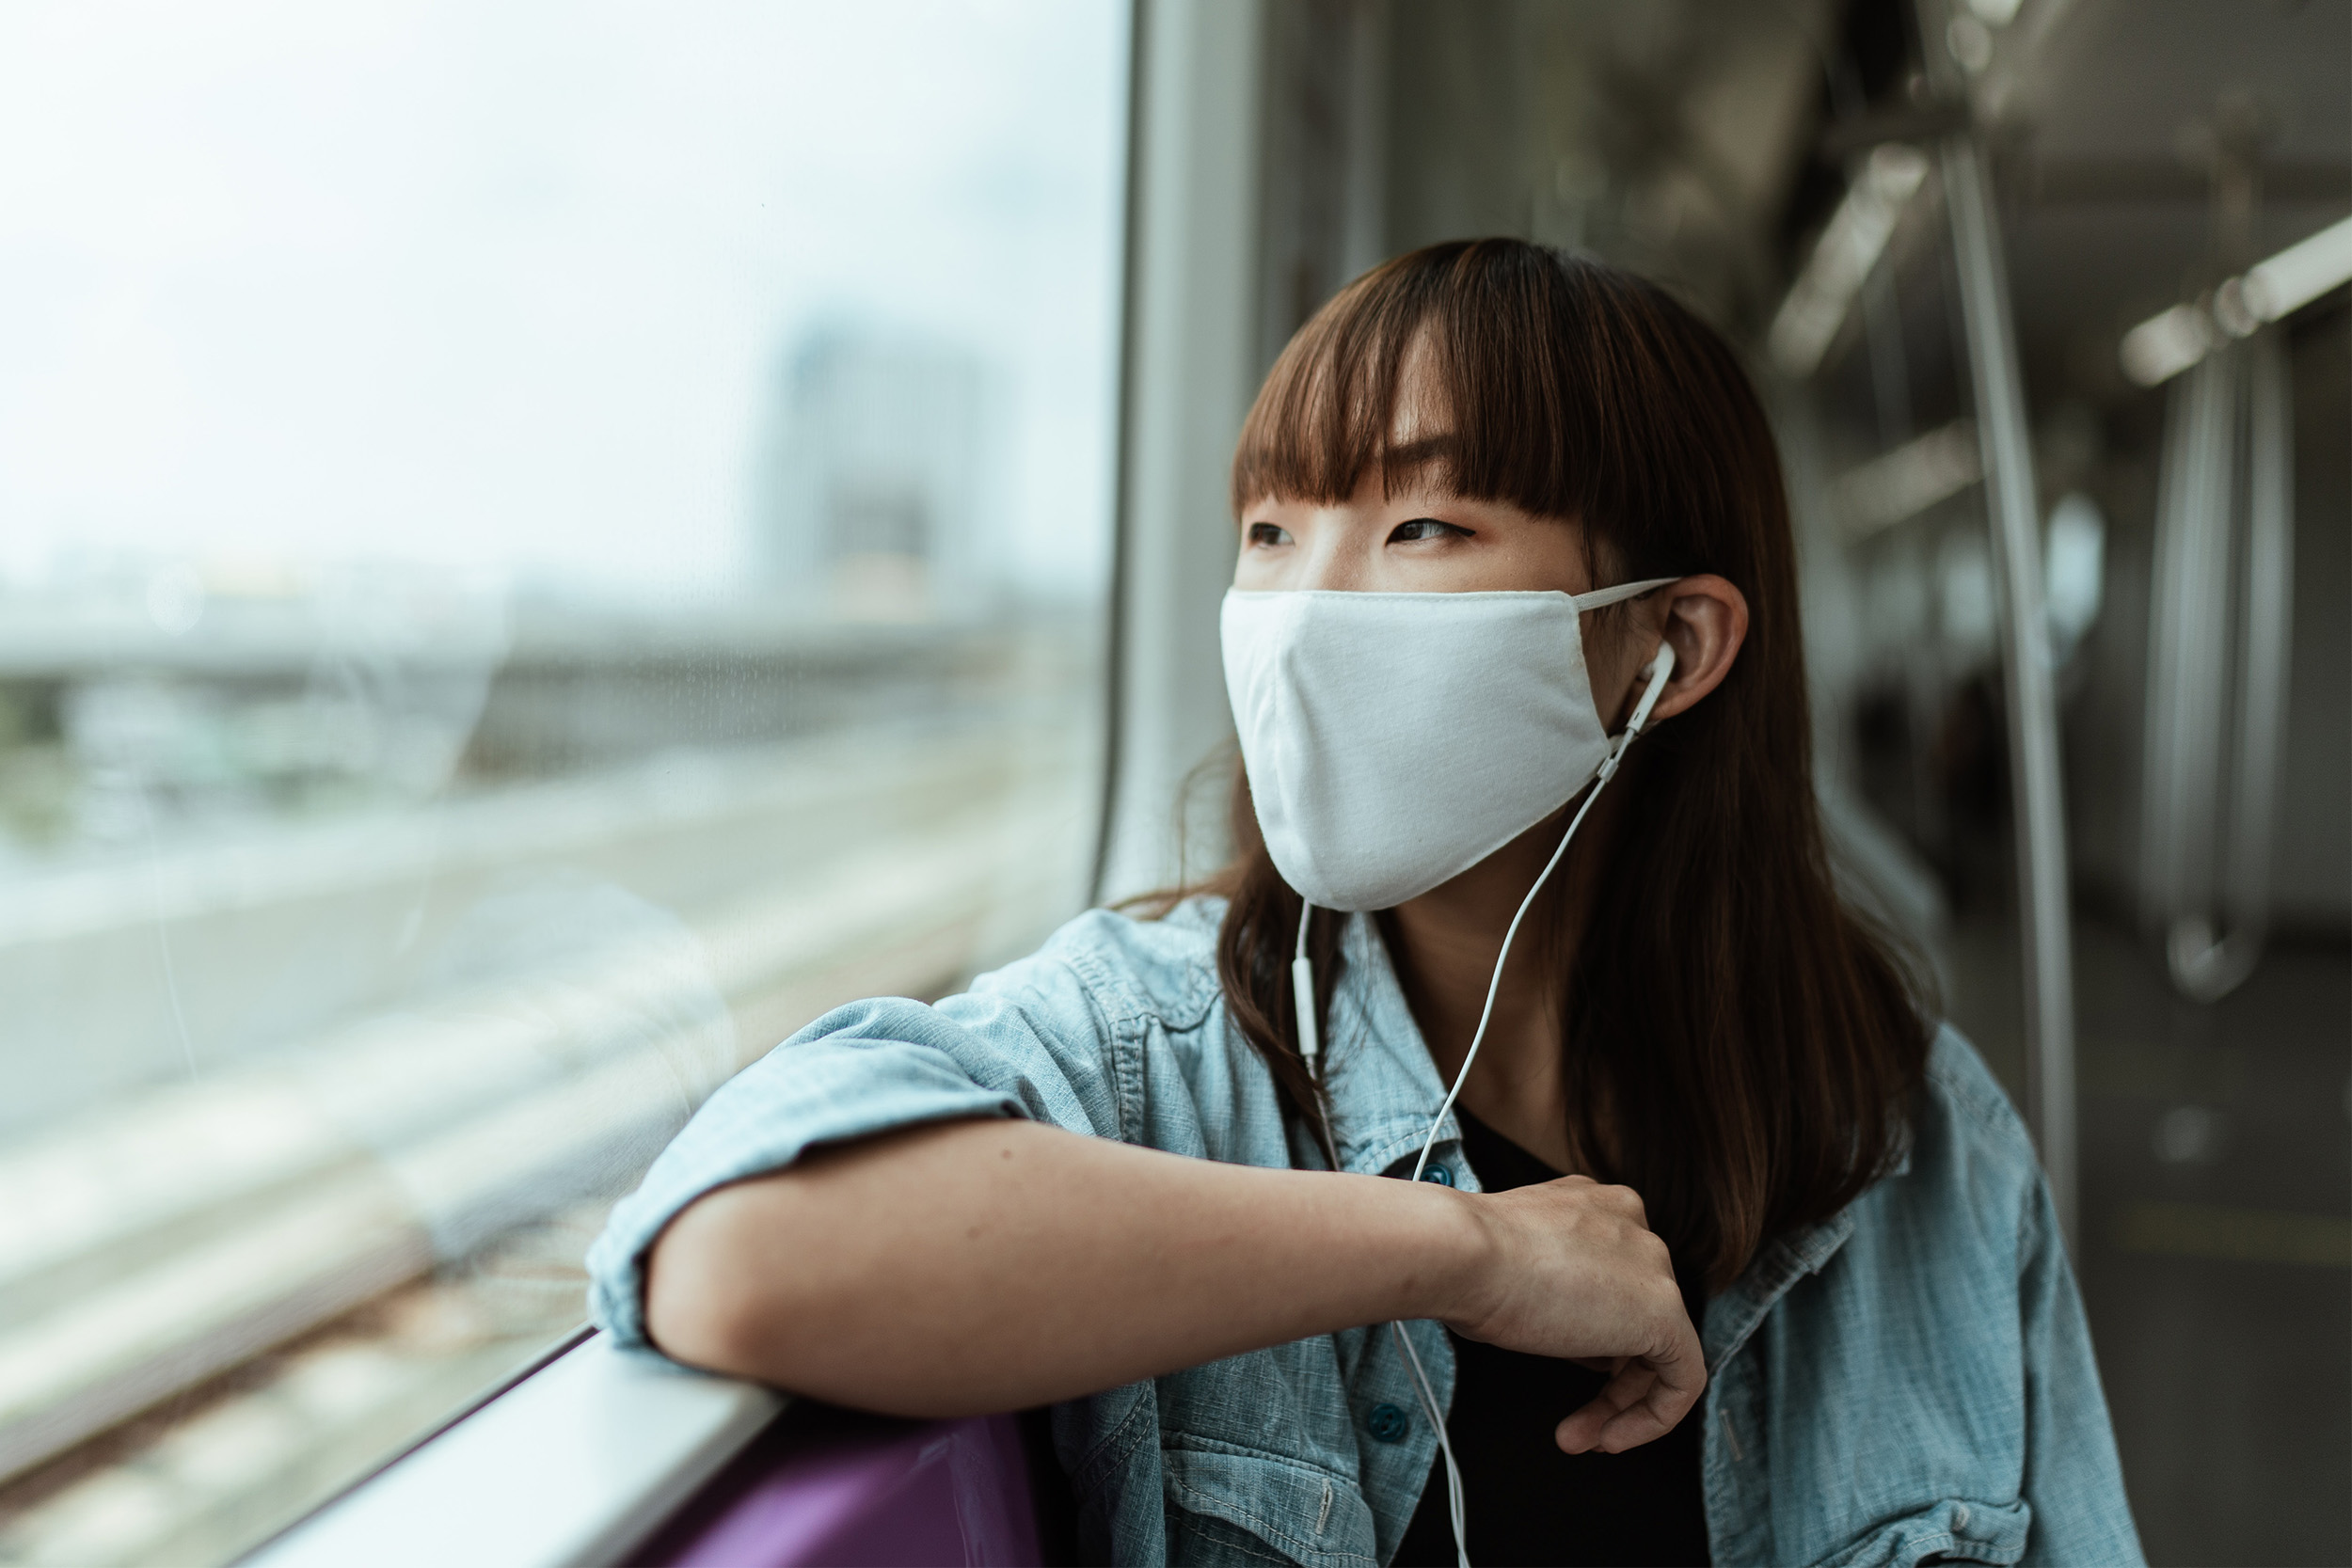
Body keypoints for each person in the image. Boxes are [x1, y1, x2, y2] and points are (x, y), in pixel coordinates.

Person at [587, 239, 2142, 1567]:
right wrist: (1459, 1251)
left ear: (1670, 646)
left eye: (1419, 528)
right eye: (1271, 530)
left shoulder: (1920, 1145)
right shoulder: (1160, 1051)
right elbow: (737, 1251)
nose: (1304, 608)